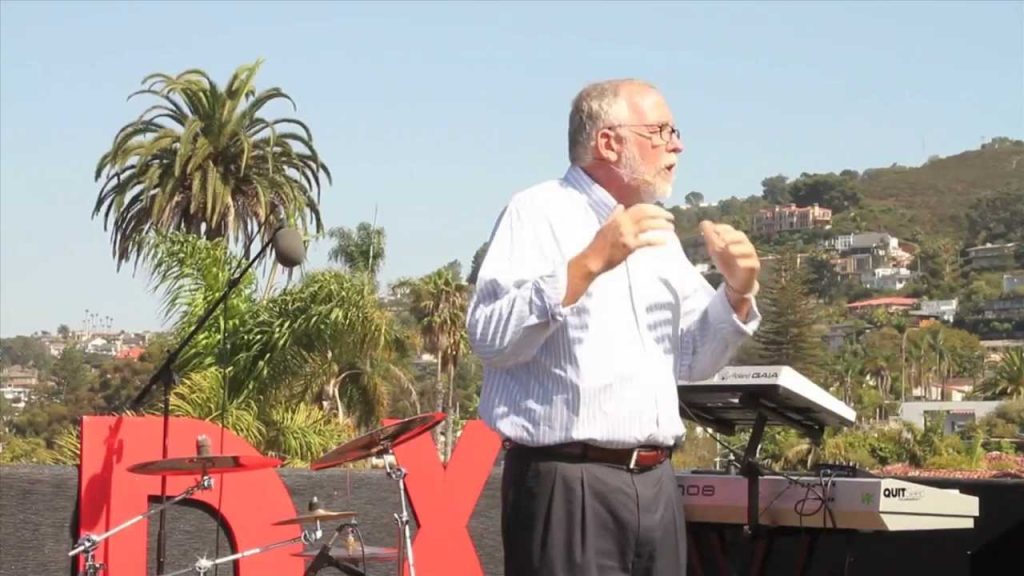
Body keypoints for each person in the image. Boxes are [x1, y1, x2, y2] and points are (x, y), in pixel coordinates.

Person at [466, 79, 762, 576]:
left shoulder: (659, 235)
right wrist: (586, 265)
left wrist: (736, 291)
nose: (677, 145)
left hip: (656, 484)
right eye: (661, 131)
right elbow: (490, 338)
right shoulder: (538, 211)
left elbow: (693, 360)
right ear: (608, 142)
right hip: (568, 483)